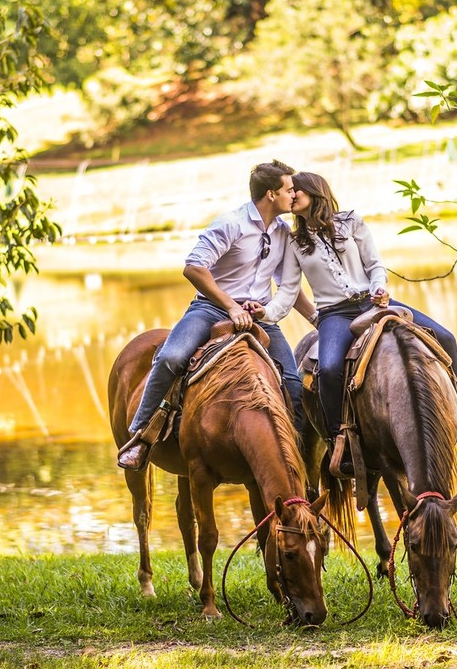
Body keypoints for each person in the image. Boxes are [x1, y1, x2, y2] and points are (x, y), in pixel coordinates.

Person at [271, 170, 457, 475]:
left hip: (371, 302)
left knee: (446, 337)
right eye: (290, 192)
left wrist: (380, 288)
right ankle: (341, 439)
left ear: (315, 192)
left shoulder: (351, 222)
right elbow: (288, 291)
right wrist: (266, 314)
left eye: (296, 191)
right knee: (331, 368)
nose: (291, 196)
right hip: (335, 313)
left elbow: (375, 264)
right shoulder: (295, 242)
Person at [116, 159, 312, 471]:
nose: (295, 194)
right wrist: (231, 306)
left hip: (258, 317)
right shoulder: (230, 223)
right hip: (212, 309)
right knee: (171, 357)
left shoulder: (283, 232)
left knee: (291, 381)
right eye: (290, 189)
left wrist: (315, 318)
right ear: (271, 194)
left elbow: (287, 285)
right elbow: (193, 267)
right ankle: (141, 435)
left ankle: (290, 461)